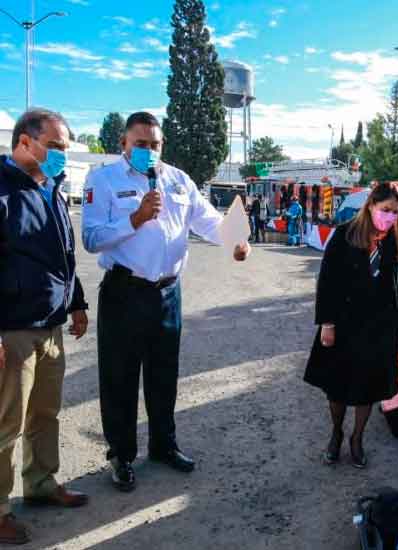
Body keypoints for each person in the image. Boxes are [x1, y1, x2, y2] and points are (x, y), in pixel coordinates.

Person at [81, 112, 251, 493]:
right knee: (120, 378)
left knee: (163, 376)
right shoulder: (102, 179)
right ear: (123, 143)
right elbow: (91, 238)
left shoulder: (178, 180)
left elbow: (207, 220)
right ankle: (122, 455)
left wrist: (235, 241)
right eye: (140, 144)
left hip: (168, 293)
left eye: (154, 145)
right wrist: (136, 219)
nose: (148, 151)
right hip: (125, 292)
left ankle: (163, 445)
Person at [0, 109, 90, 545]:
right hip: (12, 330)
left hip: (51, 324)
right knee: (5, 423)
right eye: (54, 147)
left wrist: (76, 303)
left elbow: (64, 255)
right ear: (23, 143)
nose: (60, 156)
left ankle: (40, 484)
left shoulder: (51, 188)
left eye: (64, 149)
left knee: (44, 413)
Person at [304, 182, 398, 469]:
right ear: (371, 206)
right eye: (385, 209)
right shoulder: (344, 234)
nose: (390, 216)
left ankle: (357, 438)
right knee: (337, 386)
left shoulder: (397, 239)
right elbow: (326, 282)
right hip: (344, 323)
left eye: (395, 212)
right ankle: (336, 433)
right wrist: (327, 323)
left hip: (380, 328)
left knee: (369, 388)